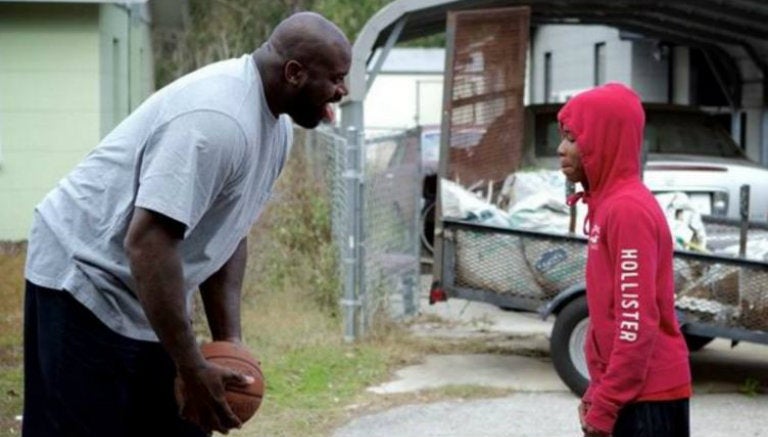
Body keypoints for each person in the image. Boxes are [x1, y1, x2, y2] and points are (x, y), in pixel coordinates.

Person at [22, 11, 350, 437]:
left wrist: (227, 343)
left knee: (184, 420)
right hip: (82, 276)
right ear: (293, 72)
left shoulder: (277, 128)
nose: (343, 91)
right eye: (337, 78)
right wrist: (191, 364)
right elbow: (148, 242)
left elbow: (229, 232)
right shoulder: (218, 121)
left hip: (144, 281)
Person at [556, 83, 692, 437]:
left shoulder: (627, 210)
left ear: (602, 139)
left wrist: (608, 403)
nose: (561, 149)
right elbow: (607, 313)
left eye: (572, 138)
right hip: (632, 394)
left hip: (648, 398)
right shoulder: (607, 205)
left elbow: (635, 321)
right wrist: (595, 389)